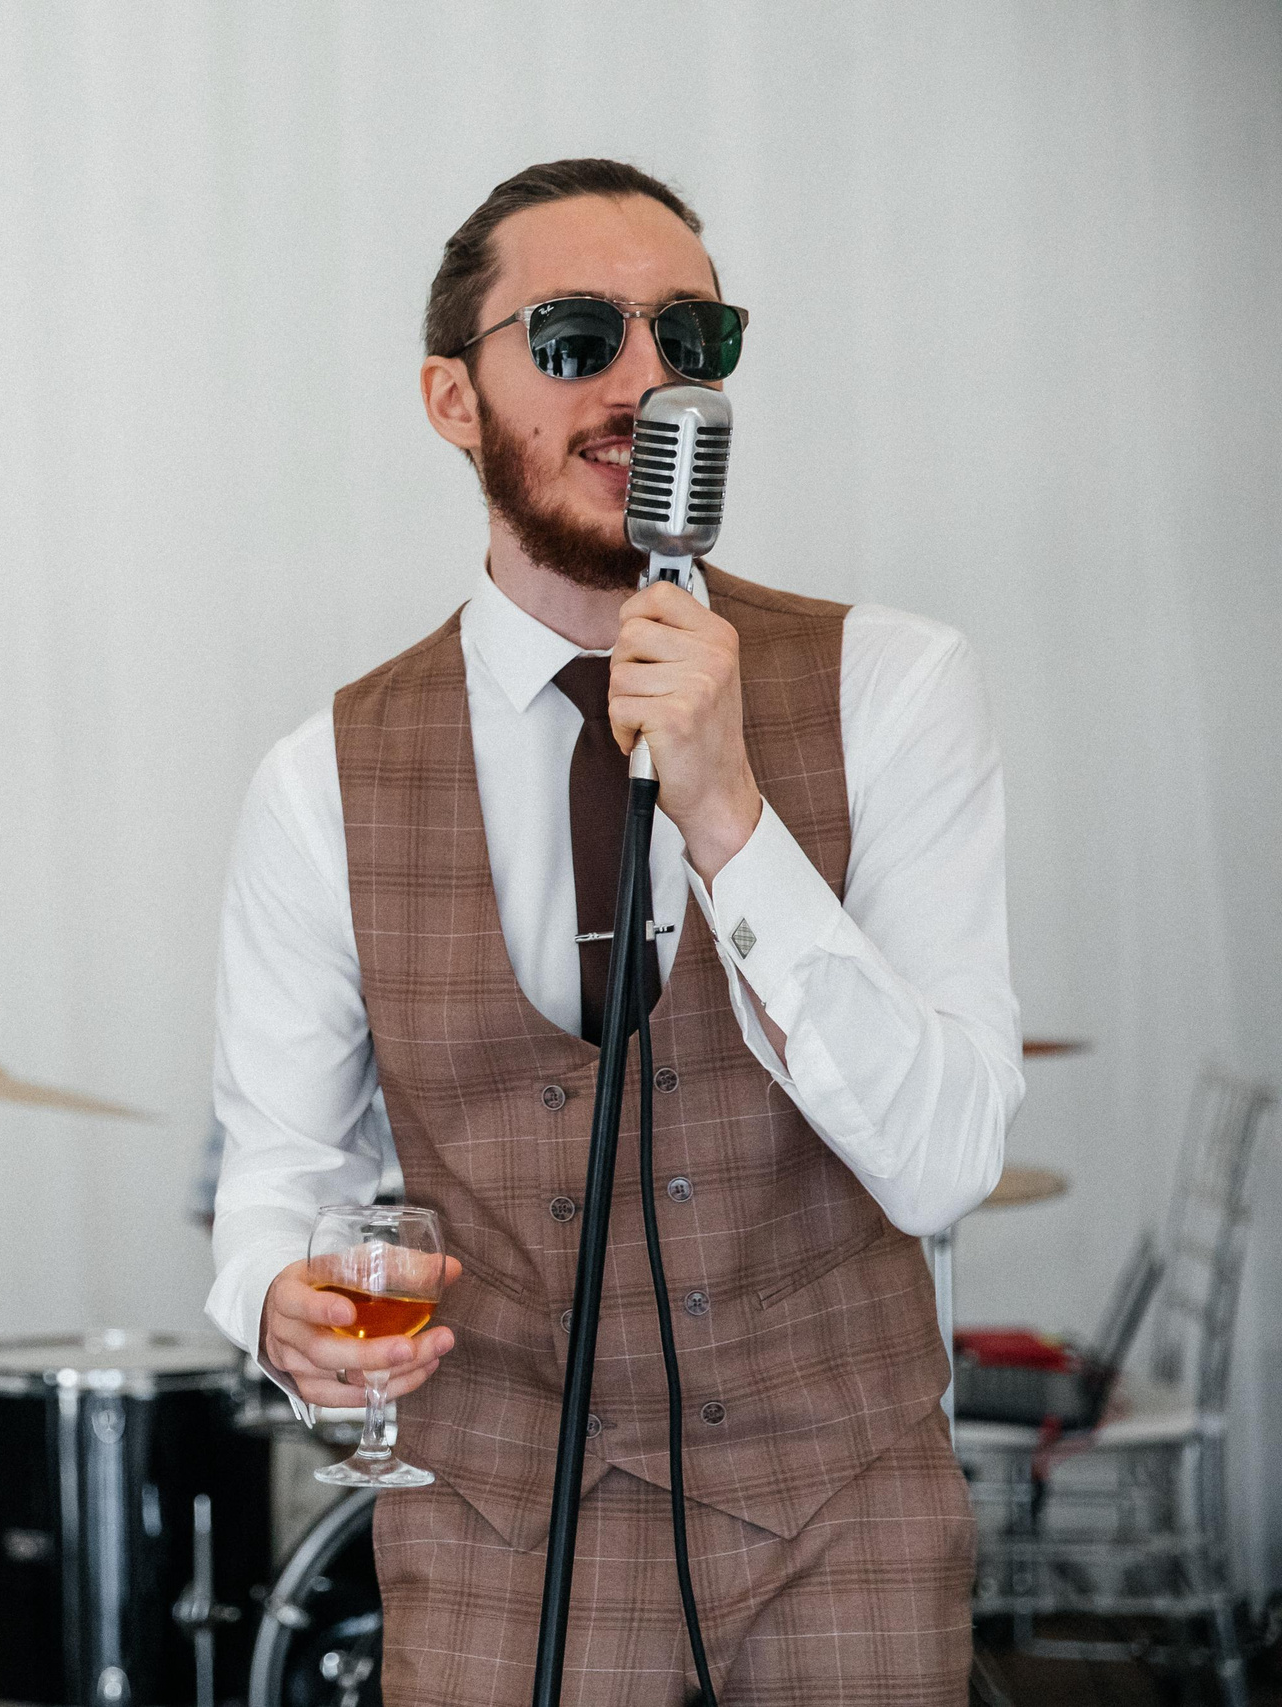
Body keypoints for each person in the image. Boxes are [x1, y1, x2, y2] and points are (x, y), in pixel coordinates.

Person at [205, 160, 1021, 1704]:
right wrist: (272, 1303)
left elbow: (947, 1157)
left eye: (693, 340)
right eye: (579, 338)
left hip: (841, 1521)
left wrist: (730, 818)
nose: (648, 383)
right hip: (503, 1535)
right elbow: (279, 1180)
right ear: (453, 398)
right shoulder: (321, 779)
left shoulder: (896, 690)